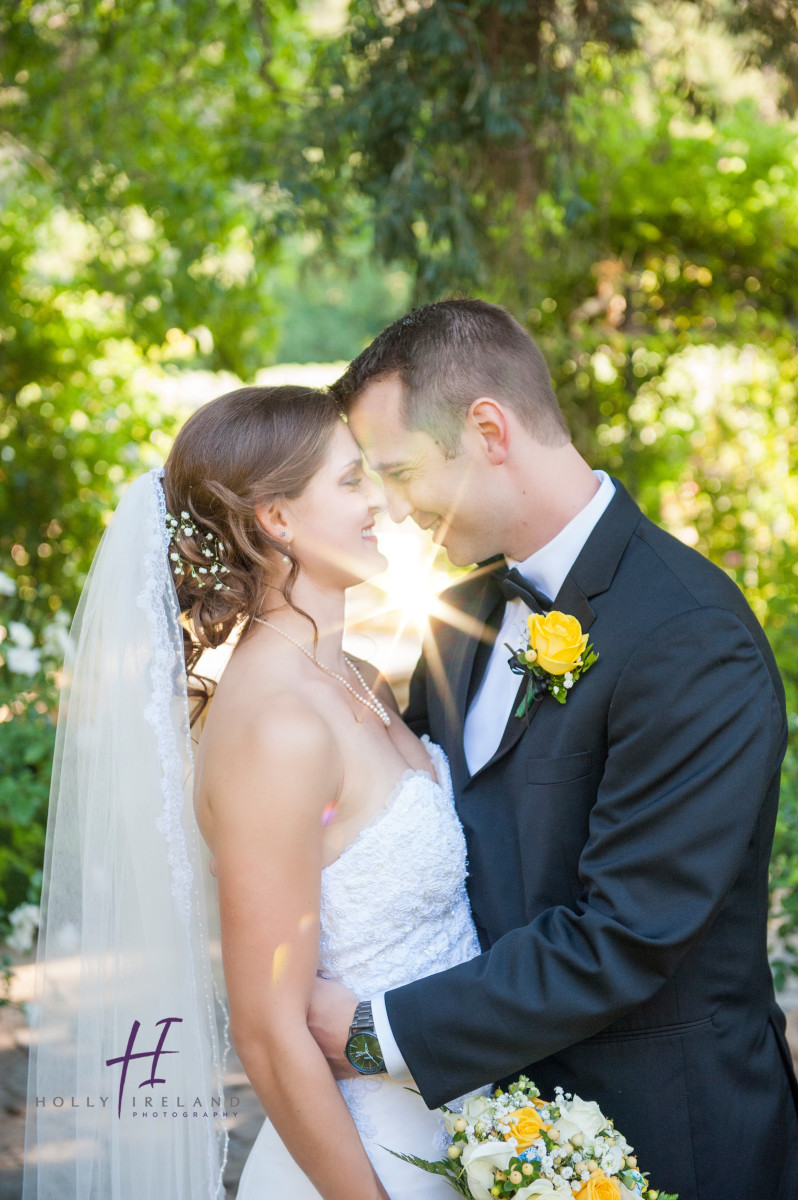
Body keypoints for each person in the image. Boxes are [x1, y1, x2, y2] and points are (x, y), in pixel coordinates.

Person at [308, 298, 798, 1200]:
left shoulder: (691, 637)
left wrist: (377, 1031)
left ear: (488, 430)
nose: (399, 511)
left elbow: (626, 935)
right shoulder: (460, 626)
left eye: (404, 472)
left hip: (671, 1139)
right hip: (487, 1132)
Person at [23, 384, 481, 1200]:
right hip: (366, 1160)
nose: (377, 499)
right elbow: (268, 1029)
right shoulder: (275, 728)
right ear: (276, 518)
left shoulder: (359, 677)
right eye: (349, 481)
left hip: (464, 1125)